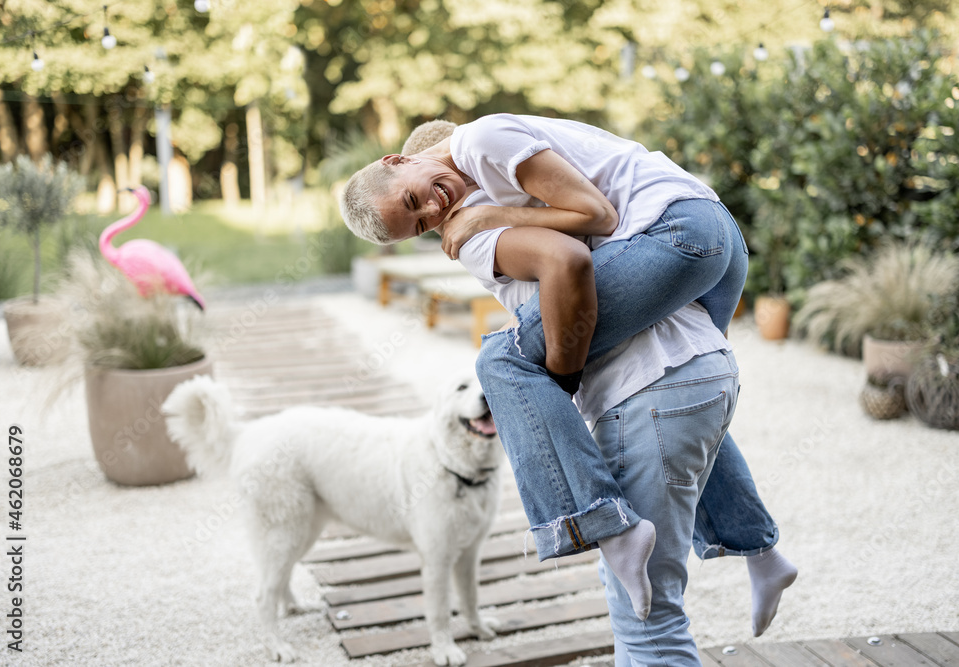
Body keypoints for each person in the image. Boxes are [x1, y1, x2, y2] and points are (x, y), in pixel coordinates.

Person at [341, 114, 797, 629]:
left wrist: (563, 380)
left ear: (398, 160)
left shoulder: (480, 156)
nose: (437, 210)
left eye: (414, 200)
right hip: (715, 234)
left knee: (503, 361)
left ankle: (600, 520)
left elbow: (587, 229)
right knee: (674, 382)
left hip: (680, 233)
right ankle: (762, 553)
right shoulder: (498, 182)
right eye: (422, 224)